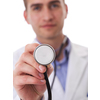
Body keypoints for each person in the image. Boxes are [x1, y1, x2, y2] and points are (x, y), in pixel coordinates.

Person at [13, 0, 88, 100]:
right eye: (36, 8)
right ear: (26, 16)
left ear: (65, 10)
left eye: (54, 5)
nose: (47, 17)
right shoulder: (12, 62)